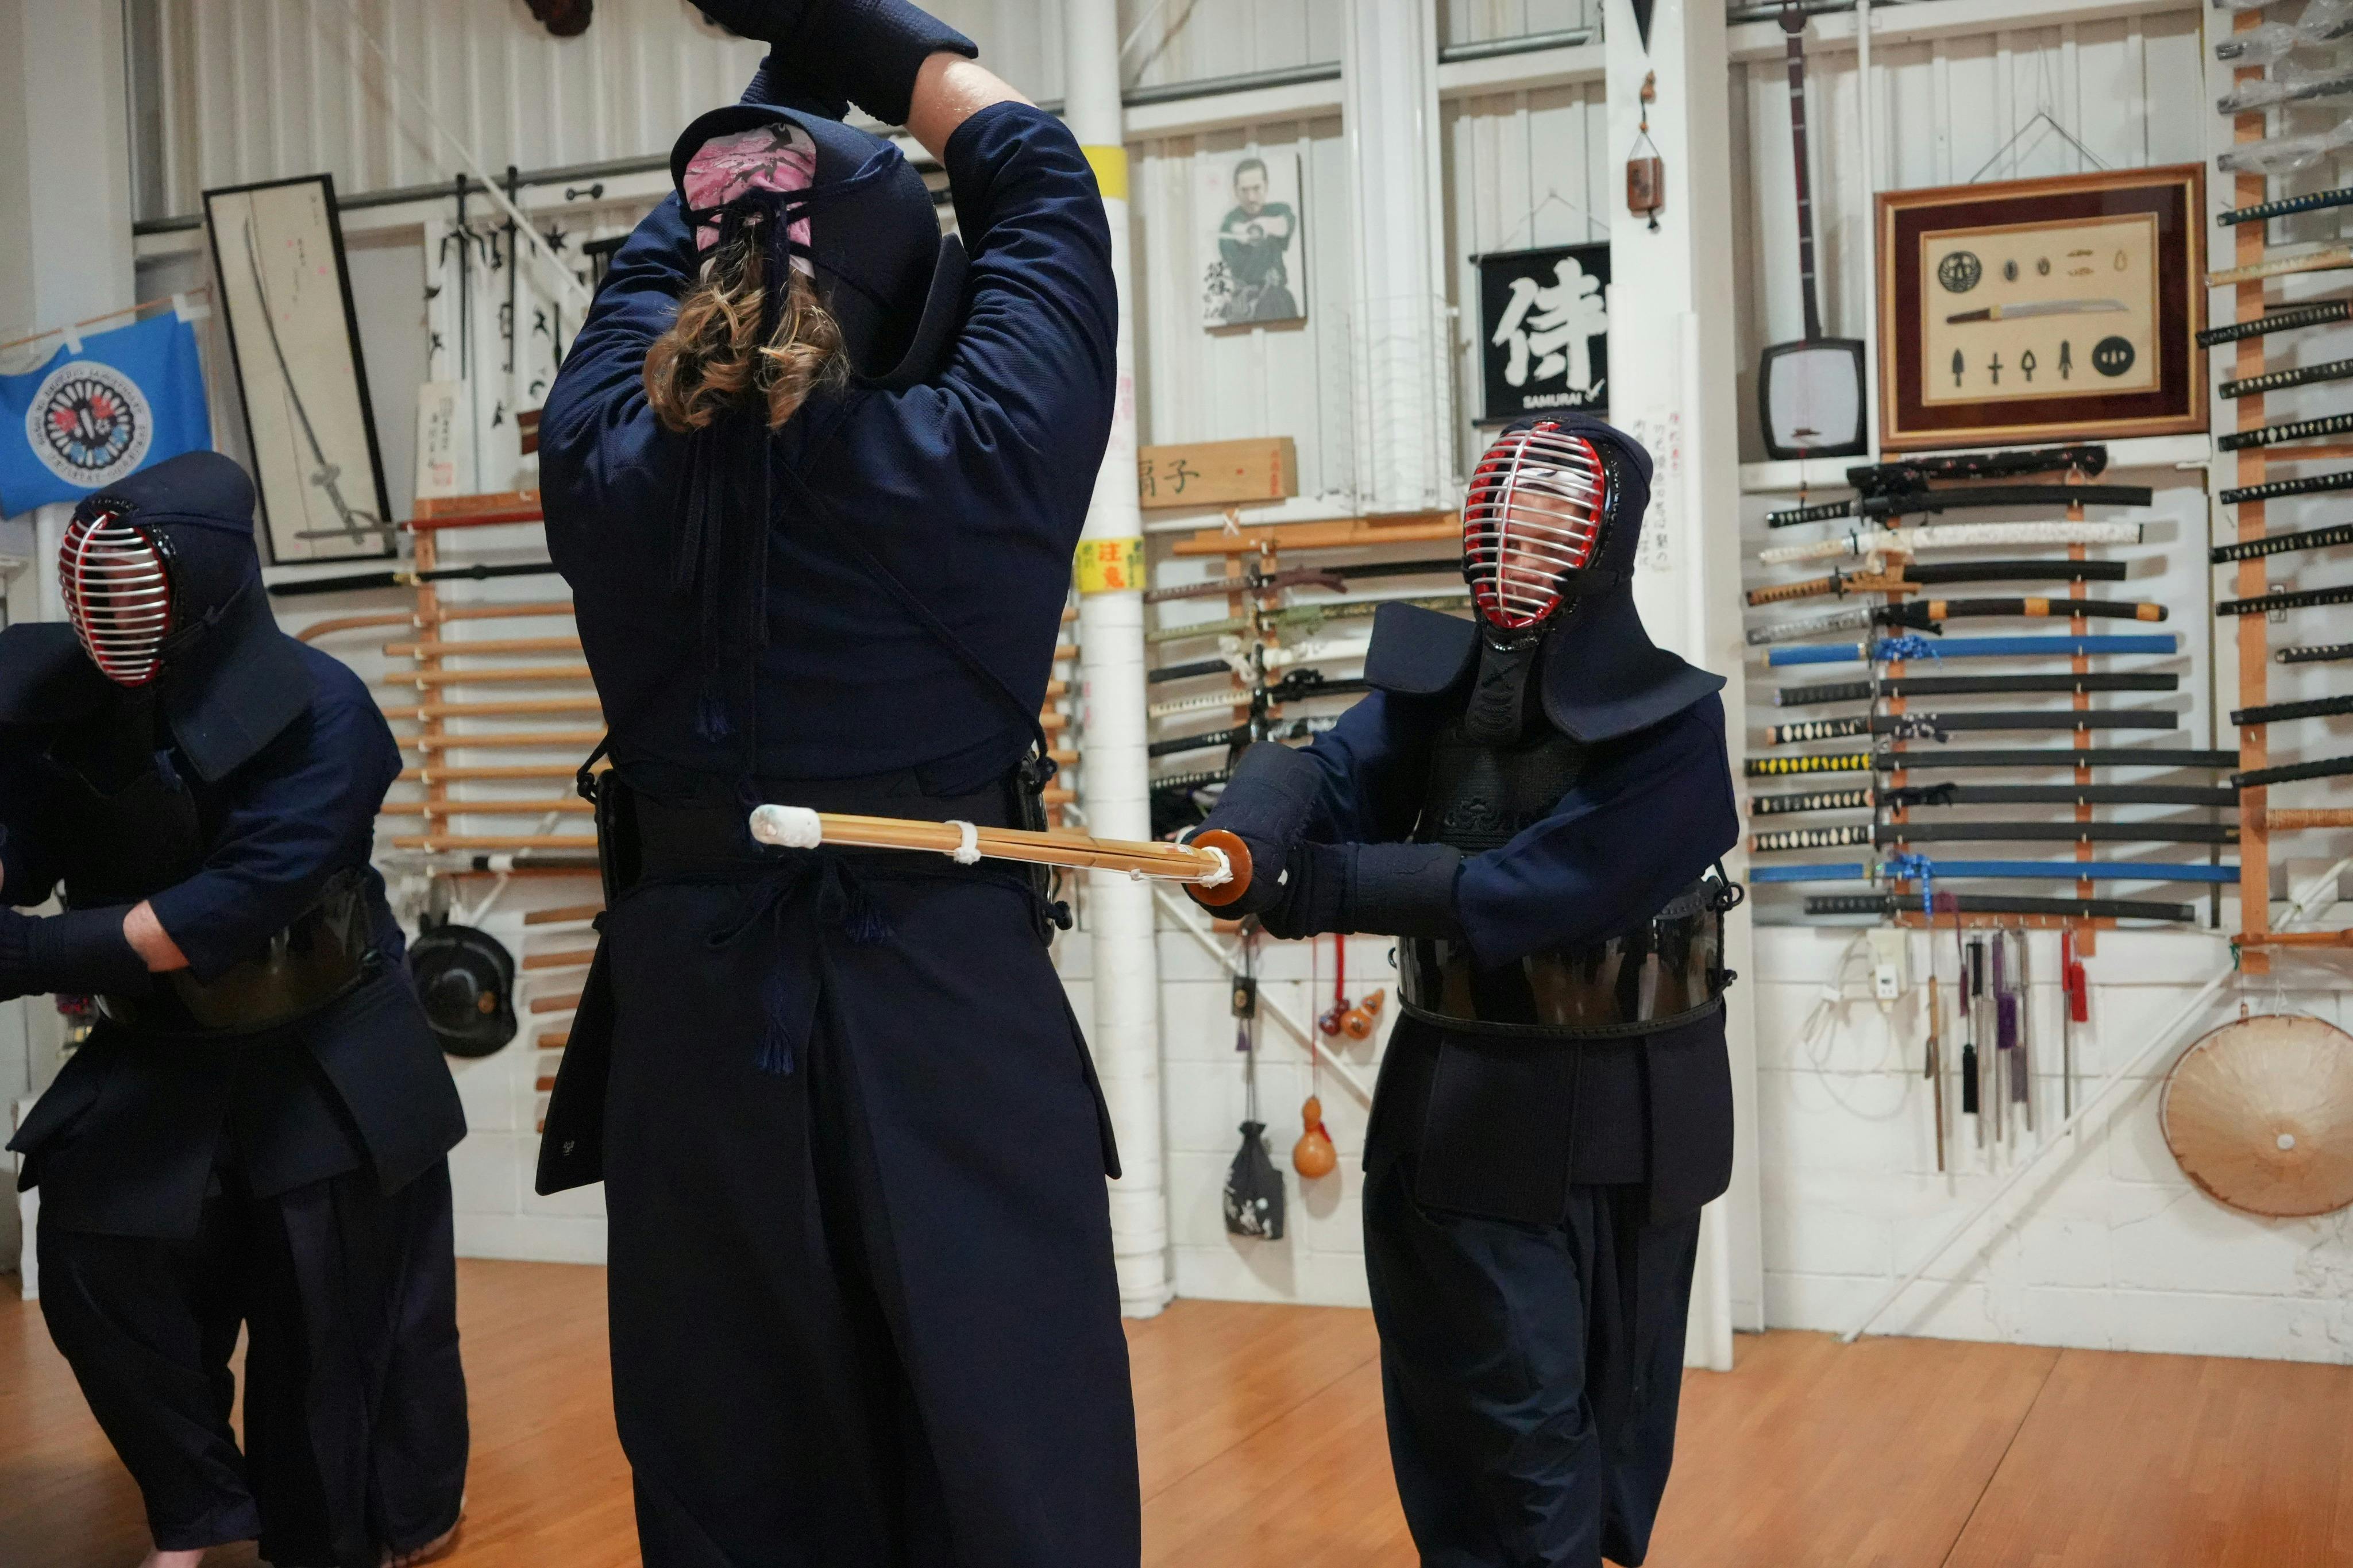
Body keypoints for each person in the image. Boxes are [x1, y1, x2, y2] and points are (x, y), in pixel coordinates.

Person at [534, 3, 1138, 1562]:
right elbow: (1039, 177)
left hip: (691, 1017)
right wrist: (861, 28)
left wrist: (784, 90)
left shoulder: (598, 455)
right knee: (1009, 1457)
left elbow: (663, 268)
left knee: (737, 1477)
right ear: (899, 300)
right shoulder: (980, 447)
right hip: (939, 1001)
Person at [1189, 414, 1741, 1568]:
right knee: (1475, 1409)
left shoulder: (1670, 726)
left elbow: (1535, 889)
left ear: (1601, 541)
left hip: (1628, 1105)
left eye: (1552, 516)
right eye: (1503, 509)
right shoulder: (1435, 688)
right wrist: (1249, 832)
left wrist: (1322, 884)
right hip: (1461, 1090)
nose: (1519, 536)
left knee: (1597, 1408)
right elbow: (1332, 767)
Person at [0, 451, 469, 1568]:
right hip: (159, 1052)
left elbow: (217, 911)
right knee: (91, 1260)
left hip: (322, 1046)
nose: (111, 607)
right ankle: (202, 1502)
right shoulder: (48, 697)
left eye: (139, 583)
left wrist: (25, 953)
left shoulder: (325, 716)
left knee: (329, 1330)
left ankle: (357, 1526)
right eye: (94, 582)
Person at [1213, 156, 1298, 324]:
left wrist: (1264, 226)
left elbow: (1286, 222)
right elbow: (1234, 230)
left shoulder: (1278, 210)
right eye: (1244, 190)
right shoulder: (1230, 221)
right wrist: (1245, 232)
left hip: (1278, 301)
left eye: (1257, 189)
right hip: (1244, 306)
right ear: (1235, 191)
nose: (1251, 198)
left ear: (1266, 186)